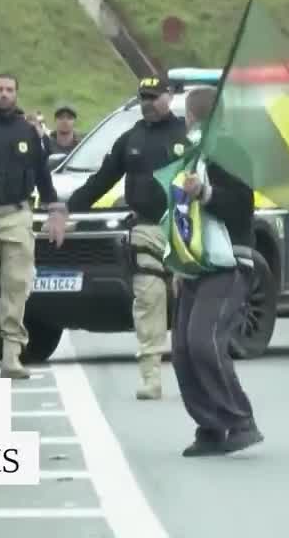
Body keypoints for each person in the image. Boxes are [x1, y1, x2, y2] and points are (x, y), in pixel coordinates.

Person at [55, 76, 188, 399]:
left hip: (187, 230)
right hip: (147, 230)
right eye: (143, 96)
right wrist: (67, 209)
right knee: (148, 299)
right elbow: (101, 181)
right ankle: (151, 375)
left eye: (154, 96)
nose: (147, 102)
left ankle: (199, 373)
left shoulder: (189, 135)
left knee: (193, 302)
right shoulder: (130, 139)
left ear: (169, 97)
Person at [167, 86, 264, 456]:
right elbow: (178, 216)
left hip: (228, 260)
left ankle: (240, 419)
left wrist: (205, 193)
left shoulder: (232, 151)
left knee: (203, 340)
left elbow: (242, 206)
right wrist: (177, 263)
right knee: (181, 350)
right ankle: (210, 427)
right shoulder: (189, 157)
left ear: (193, 116)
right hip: (194, 263)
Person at [0, 74, 65, 379]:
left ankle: (12, 356)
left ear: (17, 94)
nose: (5, 94)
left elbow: (41, 175)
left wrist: (54, 208)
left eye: (10, 90)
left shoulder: (28, 132)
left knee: (16, 288)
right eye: (0, 89)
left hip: (18, 215)